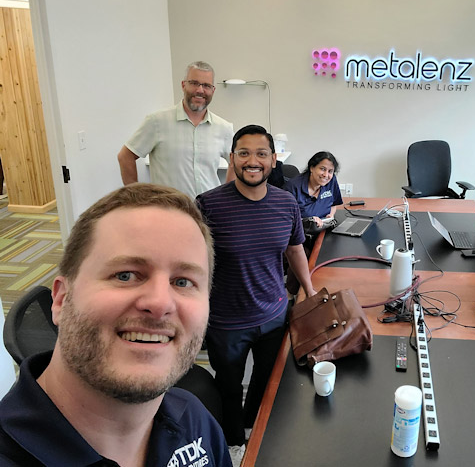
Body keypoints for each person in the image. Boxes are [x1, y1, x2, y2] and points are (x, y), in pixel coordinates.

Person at [0, 183, 230, 466]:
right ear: (60, 300)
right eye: (126, 275)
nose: (160, 303)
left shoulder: (196, 421)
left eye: (183, 282)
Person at [196, 125, 316, 467]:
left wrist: (308, 289)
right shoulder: (208, 205)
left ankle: (254, 427)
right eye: (244, 153)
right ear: (232, 159)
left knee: (267, 382)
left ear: (274, 160)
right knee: (229, 387)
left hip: (274, 315)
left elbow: (295, 250)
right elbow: (190, 261)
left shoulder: (286, 203)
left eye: (261, 154)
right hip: (226, 321)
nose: (253, 161)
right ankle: (234, 440)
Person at [117, 61, 235, 198]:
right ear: (183, 85)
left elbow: (235, 162)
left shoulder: (223, 128)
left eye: (206, 86)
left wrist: (227, 197)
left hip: (209, 212)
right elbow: (125, 156)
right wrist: (135, 199)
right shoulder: (157, 122)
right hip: (170, 211)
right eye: (194, 83)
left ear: (213, 90)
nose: (200, 90)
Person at [284, 151, 343, 228]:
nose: (326, 175)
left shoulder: (332, 180)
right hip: (302, 233)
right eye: (322, 169)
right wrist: (307, 221)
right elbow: (285, 219)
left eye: (330, 171)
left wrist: (330, 215)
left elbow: (333, 204)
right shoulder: (292, 187)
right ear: (312, 168)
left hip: (324, 228)